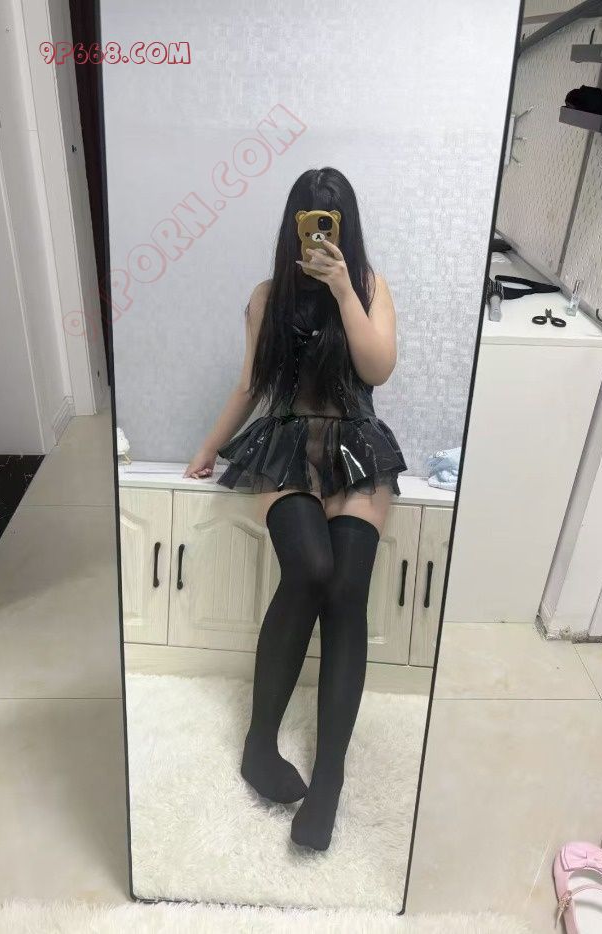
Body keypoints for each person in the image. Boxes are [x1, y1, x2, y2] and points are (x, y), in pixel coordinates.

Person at [186, 167, 407, 850]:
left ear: (346, 227)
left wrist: (342, 288)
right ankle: (260, 743)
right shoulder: (267, 296)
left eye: (330, 220)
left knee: (346, 591)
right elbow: (251, 385)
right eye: (309, 219)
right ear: (294, 224)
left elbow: (378, 369)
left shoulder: (368, 286)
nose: (318, 230)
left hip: (356, 447)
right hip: (286, 443)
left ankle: (330, 776)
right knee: (310, 568)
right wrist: (208, 448)